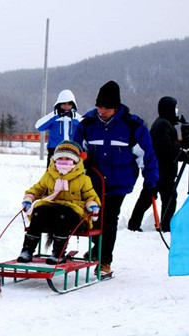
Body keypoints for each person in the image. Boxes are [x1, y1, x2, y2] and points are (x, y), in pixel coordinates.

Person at [73, 80, 159, 274]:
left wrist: (151, 181)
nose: (102, 111)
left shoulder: (132, 126)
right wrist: (81, 161)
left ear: (117, 107)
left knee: (109, 218)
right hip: (92, 182)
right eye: (100, 106)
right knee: (93, 218)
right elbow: (76, 150)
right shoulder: (87, 124)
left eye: (107, 108)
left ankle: (105, 261)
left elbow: (146, 156)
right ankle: (97, 249)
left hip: (118, 182)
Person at [16, 140, 101, 265]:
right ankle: (27, 250)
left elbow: (90, 196)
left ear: (76, 160)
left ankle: (58, 253)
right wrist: (29, 199)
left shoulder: (83, 179)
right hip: (51, 211)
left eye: (68, 158)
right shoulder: (49, 175)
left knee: (64, 214)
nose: (64, 161)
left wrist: (92, 206)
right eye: (60, 158)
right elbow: (36, 189)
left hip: (73, 215)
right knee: (39, 211)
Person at [128, 96, 182, 232]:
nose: (176, 111)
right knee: (158, 197)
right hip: (161, 169)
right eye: (174, 108)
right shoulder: (162, 125)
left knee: (152, 196)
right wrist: (180, 146)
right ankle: (161, 226)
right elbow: (165, 147)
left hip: (161, 169)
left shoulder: (164, 123)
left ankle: (136, 223)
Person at [35, 90, 83, 167]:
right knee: (52, 176)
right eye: (64, 103)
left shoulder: (76, 118)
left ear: (73, 105)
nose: (66, 106)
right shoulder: (53, 118)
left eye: (69, 103)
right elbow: (39, 126)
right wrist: (55, 115)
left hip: (73, 151)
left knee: (73, 176)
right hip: (54, 151)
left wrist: (74, 117)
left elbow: (87, 127)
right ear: (59, 104)